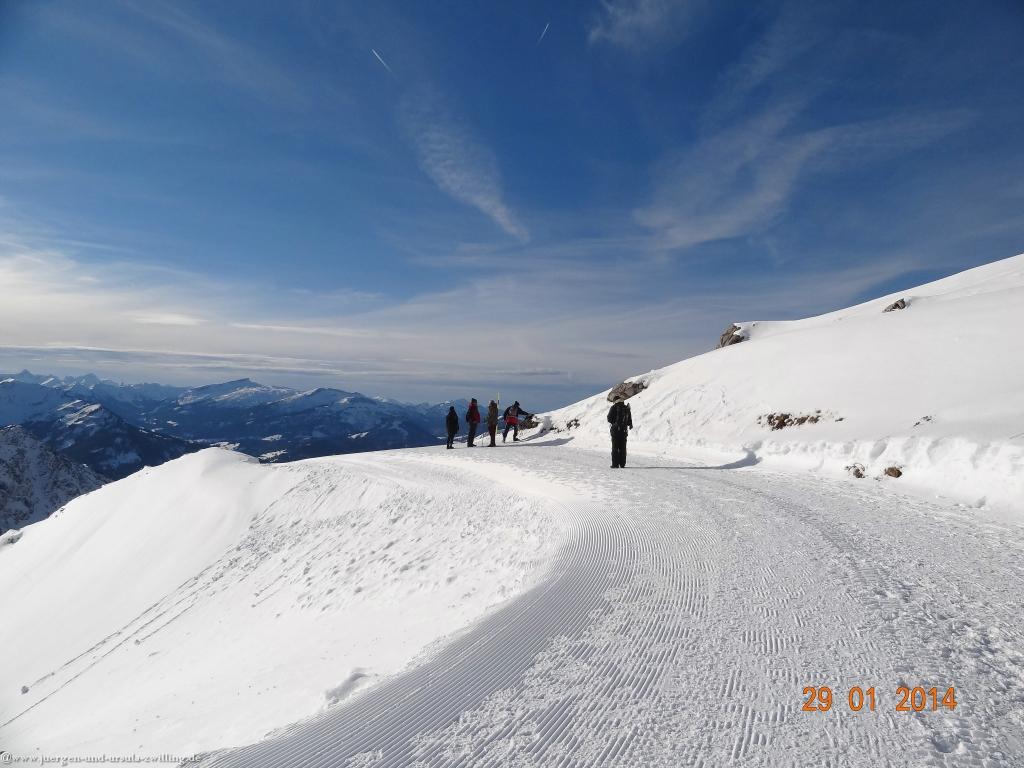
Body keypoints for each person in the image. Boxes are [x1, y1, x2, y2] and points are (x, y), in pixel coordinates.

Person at [607, 400, 633, 468]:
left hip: (615, 431)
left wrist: (614, 423)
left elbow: (609, 418)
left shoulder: (614, 407)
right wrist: (629, 425)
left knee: (615, 448)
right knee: (623, 448)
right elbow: (629, 420)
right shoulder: (626, 408)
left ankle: (615, 464)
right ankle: (622, 464)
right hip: (624, 431)